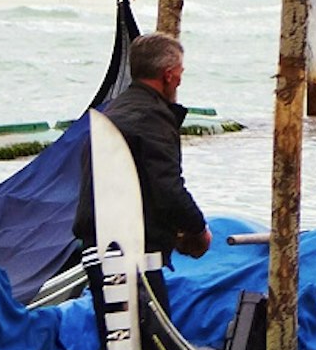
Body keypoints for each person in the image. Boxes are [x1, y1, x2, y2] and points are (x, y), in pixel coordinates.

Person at [75, 32, 214, 262]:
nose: (180, 78)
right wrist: (198, 230)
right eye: (180, 72)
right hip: (130, 252)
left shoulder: (114, 111)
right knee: (147, 300)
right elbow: (168, 188)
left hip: (97, 245)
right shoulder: (152, 118)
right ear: (169, 75)